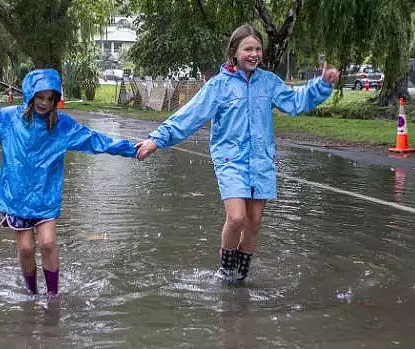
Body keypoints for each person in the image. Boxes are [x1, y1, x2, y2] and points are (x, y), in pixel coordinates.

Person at [135, 24, 340, 283]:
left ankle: (240, 278)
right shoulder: (219, 86)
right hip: (230, 161)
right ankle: (224, 273)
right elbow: (190, 116)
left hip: (261, 162)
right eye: (248, 49)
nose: (254, 54)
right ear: (234, 52)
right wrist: (157, 140)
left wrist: (322, 85)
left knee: (254, 222)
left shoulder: (268, 82)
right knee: (236, 218)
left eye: (257, 49)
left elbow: (295, 101)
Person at [0, 69, 138, 297]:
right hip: (17, 197)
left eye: (50, 98)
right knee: (26, 248)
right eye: (40, 97)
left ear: (56, 99)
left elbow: (96, 140)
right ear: (30, 95)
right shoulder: (8, 119)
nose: (44, 103)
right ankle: (31, 293)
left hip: (45, 196)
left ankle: (53, 295)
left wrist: (133, 149)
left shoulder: (63, 126)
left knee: (48, 243)